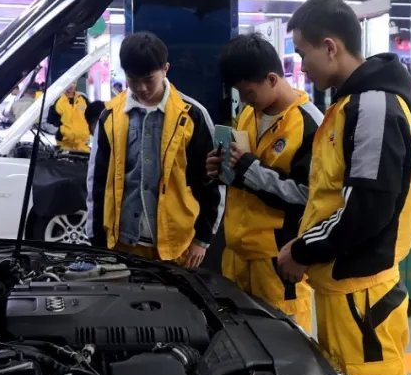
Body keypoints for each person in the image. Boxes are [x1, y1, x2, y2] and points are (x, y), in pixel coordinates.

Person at [277, 0, 411, 375]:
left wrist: (302, 249)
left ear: (331, 47)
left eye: (302, 54)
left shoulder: (373, 107)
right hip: (343, 295)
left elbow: (366, 210)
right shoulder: (347, 107)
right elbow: (330, 198)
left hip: (364, 301)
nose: (301, 67)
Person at [206, 34, 321, 333]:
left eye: (249, 92)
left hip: (276, 263)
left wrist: (248, 168)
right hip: (236, 256)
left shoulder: (310, 125)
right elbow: (243, 178)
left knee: (284, 345)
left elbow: (309, 196)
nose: (244, 100)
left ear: (272, 79)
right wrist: (222, 169)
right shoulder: (248, 113)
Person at [87, 32, 221, 268]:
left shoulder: (192, 115)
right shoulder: (110, 116)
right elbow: (97, 180)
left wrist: (203, 239)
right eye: (132, 79)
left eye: (149, 79)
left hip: (178, 246)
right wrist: (96, 239)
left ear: (165, 69)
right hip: (122, 245)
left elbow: (211, 182)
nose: (141, 88)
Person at [47, 84, 91, 153]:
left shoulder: (83, 99)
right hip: (64, 145)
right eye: (69, 84)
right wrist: (61, 131)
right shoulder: (58, 101)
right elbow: (50, 120)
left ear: (76, 84)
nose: (70, 86)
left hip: (83, 144)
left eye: (73, 83)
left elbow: (91, 117)